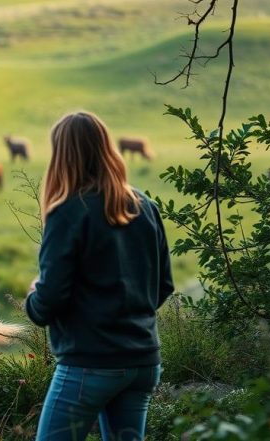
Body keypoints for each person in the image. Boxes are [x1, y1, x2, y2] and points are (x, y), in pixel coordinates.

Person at [26, 111, 174, 441]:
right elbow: (163, 287)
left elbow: (49, 299)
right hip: (143, 362)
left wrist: (33, 299)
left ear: (62, 156)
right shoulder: (145, 206)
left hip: (89, 364)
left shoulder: (66, 212)